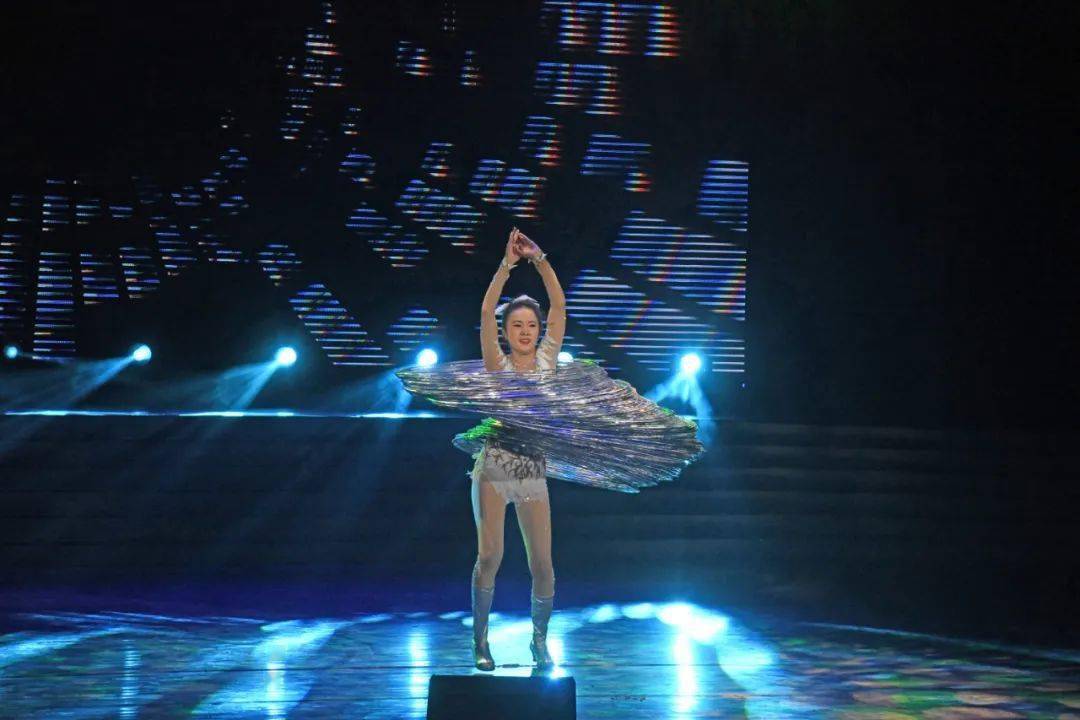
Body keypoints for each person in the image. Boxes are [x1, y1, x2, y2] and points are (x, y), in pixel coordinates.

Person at [470, 227, 565, 671]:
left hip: (532, 472)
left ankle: (539, 643)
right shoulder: (498, 364)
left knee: (542, 565)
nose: (525, 331)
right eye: (517, 325)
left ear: (539, 331)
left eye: (531, 326)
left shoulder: (547, 362)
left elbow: (559, 306)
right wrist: (507, 266)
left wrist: (539, 259)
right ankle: (480, 642)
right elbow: (485, 310)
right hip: (494, 467)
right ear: (506, 332)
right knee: (490, 556)